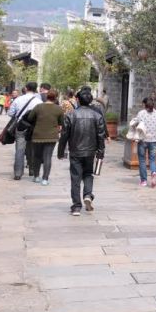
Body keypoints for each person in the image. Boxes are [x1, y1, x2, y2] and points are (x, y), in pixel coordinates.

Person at [57, 88, 106, 216]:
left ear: (77, 100)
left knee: (75, 178)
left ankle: (76, 206)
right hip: (90, 151)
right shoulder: (97, 116)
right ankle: (88, 195)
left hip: (75, 151)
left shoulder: (70, 115)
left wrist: (60, 151)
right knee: (88, 174)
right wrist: (101, 152)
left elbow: (64, 135)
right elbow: (101, 136)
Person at [26, 90, 64, 185]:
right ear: (56, 97)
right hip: (51, 136)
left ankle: (36, 176)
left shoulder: (38, 107)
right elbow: (61, 122)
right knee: (47, 157)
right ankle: (45, 179)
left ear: (46, 96)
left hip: (37, 135)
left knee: (37, 156)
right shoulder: (59, 109)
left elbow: (30, 118)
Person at [5, 82, 42, 180]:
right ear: (35, 89)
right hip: (34, 128)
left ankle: (18, 173)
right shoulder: (39, 101)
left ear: (26, 88)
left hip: (21, 127)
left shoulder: (18, 99)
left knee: (19, 150)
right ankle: (32, 170)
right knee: (33, 149)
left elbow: (10, 113)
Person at [130, 97, 156, 188]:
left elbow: (135, 123)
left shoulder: (141, 113)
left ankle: (144, 181)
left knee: (142, 160)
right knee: (152, 159)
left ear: (144, 104)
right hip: (154, 140)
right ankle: (153, 172)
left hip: (143, 140)